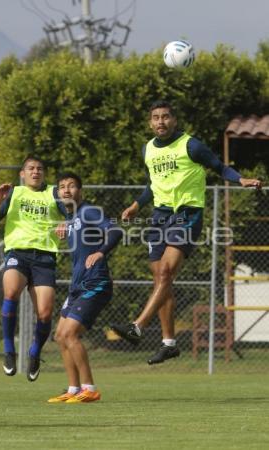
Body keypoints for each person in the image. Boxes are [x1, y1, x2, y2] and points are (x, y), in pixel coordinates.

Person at [111, 100, 262, 365]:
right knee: (160, 278)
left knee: (167, 273)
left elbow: (219, 166)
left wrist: (241, 179)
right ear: (150, 123)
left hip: (186, 215)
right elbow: (153, 184)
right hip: (159, 217)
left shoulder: (190, 145)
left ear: (174, 120)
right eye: (156, 117)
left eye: (166, 117)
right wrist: (136, 205)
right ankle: (169, 343)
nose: (161, 122)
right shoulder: (148, 149)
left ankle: (137, 326)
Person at [0, 155, 64, 381]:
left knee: (45, 314)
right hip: (18, 253)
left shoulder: (54, 193)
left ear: (44, 173)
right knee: (10, 292)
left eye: (39, 168)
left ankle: (34, 353)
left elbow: (73, 217)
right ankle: (9, 350)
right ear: (22, 173)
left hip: (45, 257)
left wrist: (66, 222)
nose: (36, 172)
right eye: (31, 168)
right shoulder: (14, 194)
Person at [48, 172, 122, 404]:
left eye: (71, 186)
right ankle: (73, 389)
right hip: (77, 286)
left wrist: (101, 251)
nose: (67, 190)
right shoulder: (72, 217)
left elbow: (116, 230)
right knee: (60, 336)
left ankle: (90, 389)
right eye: (62, 187)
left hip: (95, 283)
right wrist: (65, 226)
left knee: (70, 334)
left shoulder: (88, 211)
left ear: (81, 191)